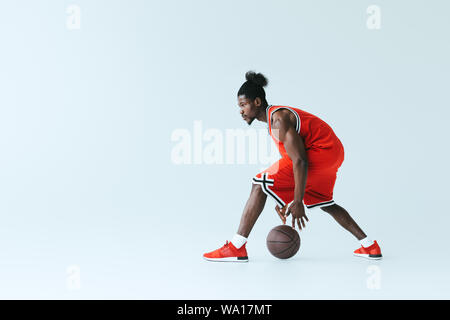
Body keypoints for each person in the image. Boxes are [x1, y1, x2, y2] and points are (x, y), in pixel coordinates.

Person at [203, 71, 382, 262]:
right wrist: (285, 199)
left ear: (256, 102)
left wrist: (297, 201)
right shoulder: (276, 118)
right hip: (333, 154)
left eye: (243, 105)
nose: (240, 111)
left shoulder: (278, 120)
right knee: (326, 203)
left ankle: (236, 247)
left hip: (320, 153)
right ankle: (369, 245)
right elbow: (291, 163)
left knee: (259, 183)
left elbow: (300, 161)